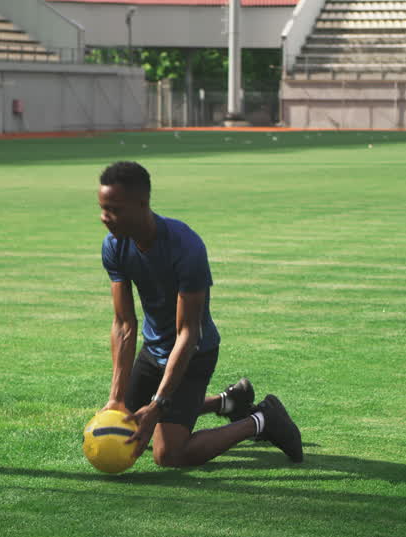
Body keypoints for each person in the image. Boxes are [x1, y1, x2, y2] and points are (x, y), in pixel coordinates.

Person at [97, 161, 303, 468]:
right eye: (102, 208)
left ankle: (262, 419)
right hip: (153, 352)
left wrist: (157, 404)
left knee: (168, 454)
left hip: (194, 354)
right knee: (122, 419)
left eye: (113, 209)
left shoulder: (185, 246)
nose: (104, 218)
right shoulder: (114, 246)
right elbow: (124, 324)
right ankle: (227, 402)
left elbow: (188, 334)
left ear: (142, 204)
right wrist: (116, 398)